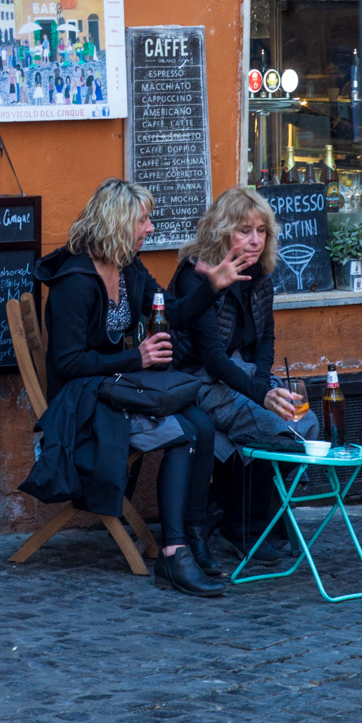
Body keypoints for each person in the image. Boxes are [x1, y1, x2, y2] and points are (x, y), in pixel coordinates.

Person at [37, 177, 223, 597]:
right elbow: (68, 364)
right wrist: (135, 358)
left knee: (202, 425)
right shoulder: (75, 281)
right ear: (118, 223)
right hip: (81, 404)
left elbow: (172, 313)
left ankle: (195, 540)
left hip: (113, 388)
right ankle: (174, 553)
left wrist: (212, 286)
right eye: (143, 220)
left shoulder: (128, 269)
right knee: (183, 434)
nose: (150, 228)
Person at [166, 187, 319, 559]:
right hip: (199, 378)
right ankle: (242, 528)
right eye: (244, 230)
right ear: (222, 231)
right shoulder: (196, 275)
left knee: (306, 422)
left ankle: (262, 516)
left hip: (245, 375)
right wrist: (261, 395)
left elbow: (266, 339)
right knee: (275, 429)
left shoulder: (260, 274)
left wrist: (264, 383)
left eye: (261, 230)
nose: (255, 240)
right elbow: (211, 358)